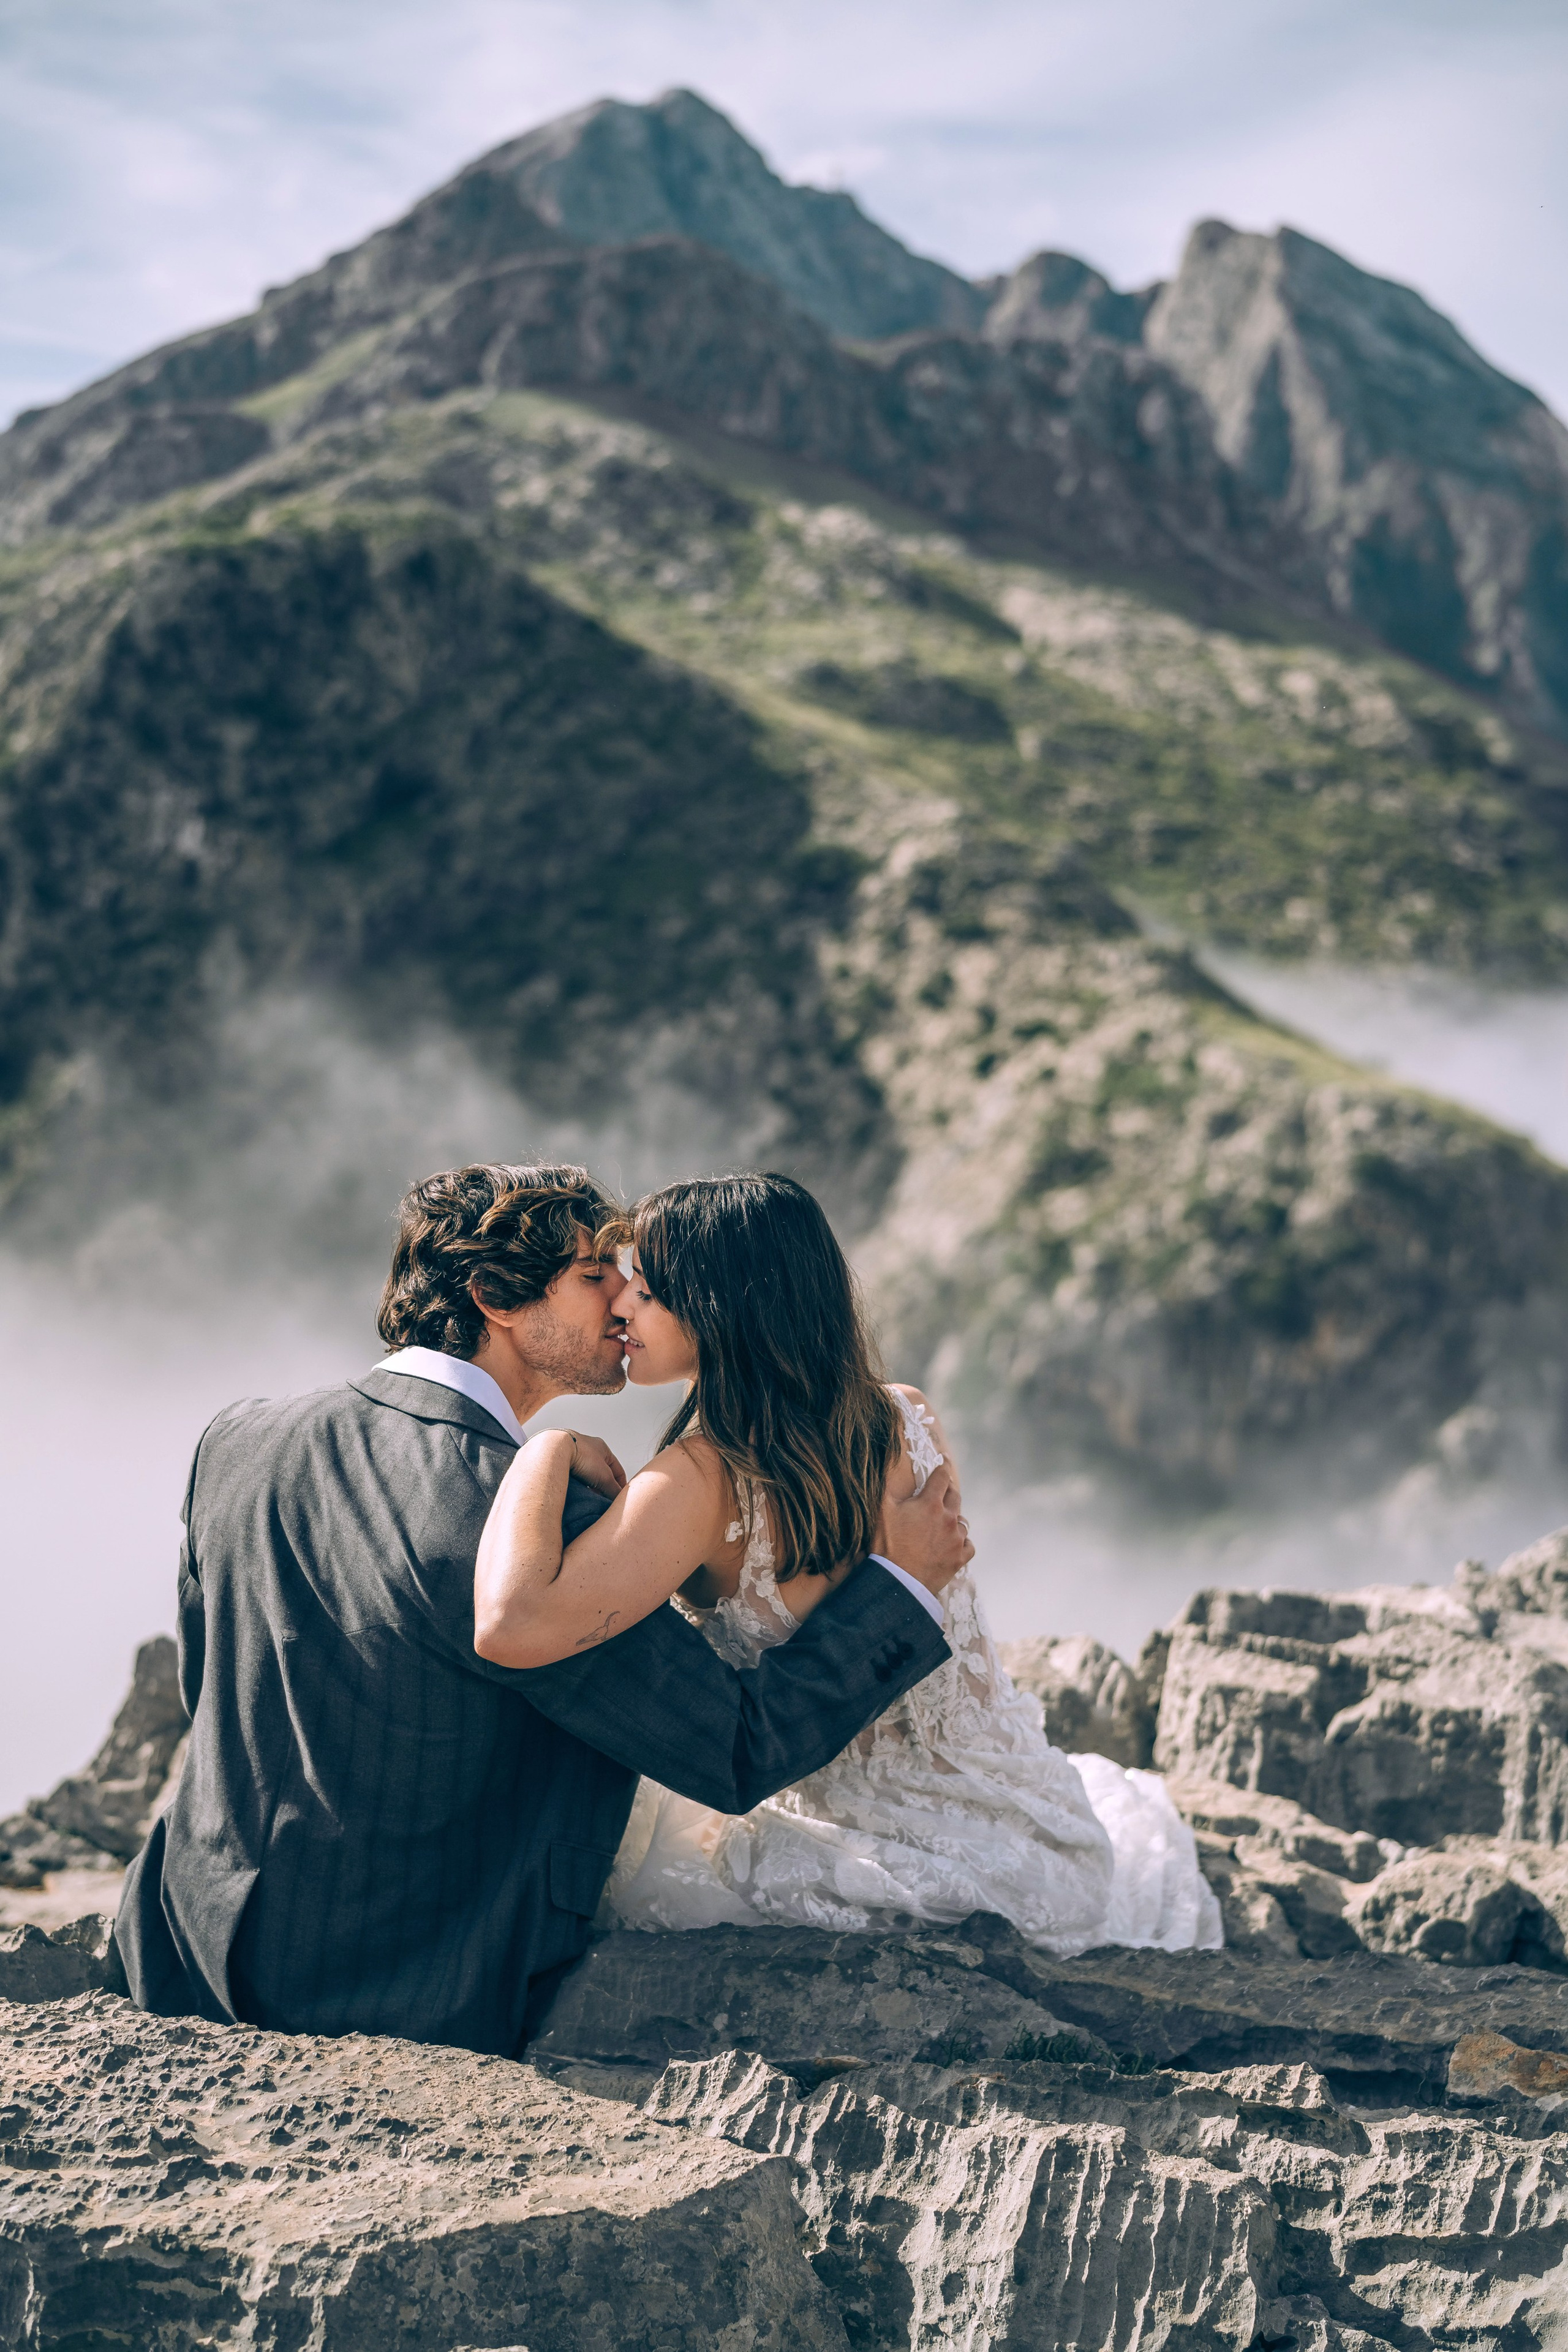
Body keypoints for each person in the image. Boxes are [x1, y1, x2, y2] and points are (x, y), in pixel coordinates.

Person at [116, 1163, 968, 2056]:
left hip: (178, 1945)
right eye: (597, 1277)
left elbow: (209, 1684)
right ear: (495, 1296)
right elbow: (733, 1745)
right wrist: (900, 1590)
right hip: (406, 1991)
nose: (625, 1301)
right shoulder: (533, 1525)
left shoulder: (240, 1438)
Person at [477, 1172, 1221, 1953]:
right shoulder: (905, 1415)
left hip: (853, 1859)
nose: (622, 1305)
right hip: (1031, 1836)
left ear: (724, 1307)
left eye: (651, 1291)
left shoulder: (697, 1483)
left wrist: (545, 1451)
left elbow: (514, 1625)